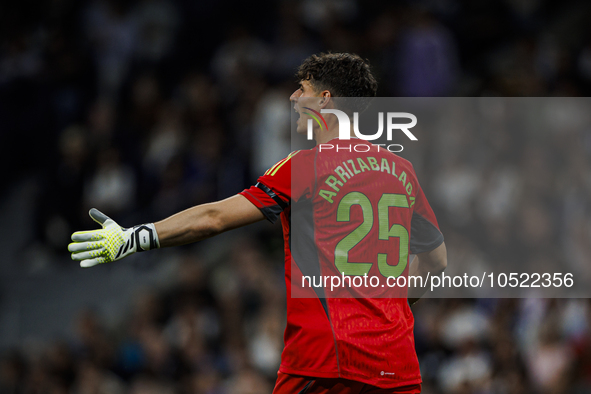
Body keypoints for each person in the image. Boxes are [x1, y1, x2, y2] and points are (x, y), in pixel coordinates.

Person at [68, 52, 447, 394]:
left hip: (326, 362)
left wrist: (136, 237)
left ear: (326, 100)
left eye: (303, 90)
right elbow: (436, 261)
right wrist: (391, 303)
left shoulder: (304, 167)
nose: (294, 99)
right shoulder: (401, 170)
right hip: (395, 364)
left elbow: (214, 217)